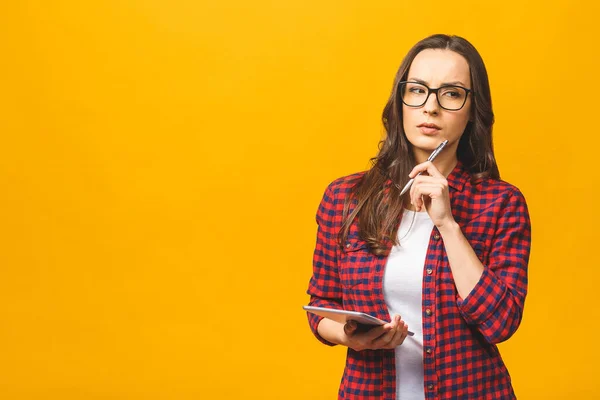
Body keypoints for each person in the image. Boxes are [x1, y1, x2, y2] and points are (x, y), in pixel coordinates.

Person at [306, 34, 531, 400]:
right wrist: (352, 337)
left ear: (474, 110)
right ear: (400, 101)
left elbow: (500, 321)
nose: (431, 107)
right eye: (417, 90)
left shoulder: (500, 204)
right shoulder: (345, 198)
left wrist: (448, 225)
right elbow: (321, 305)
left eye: (452, 93)